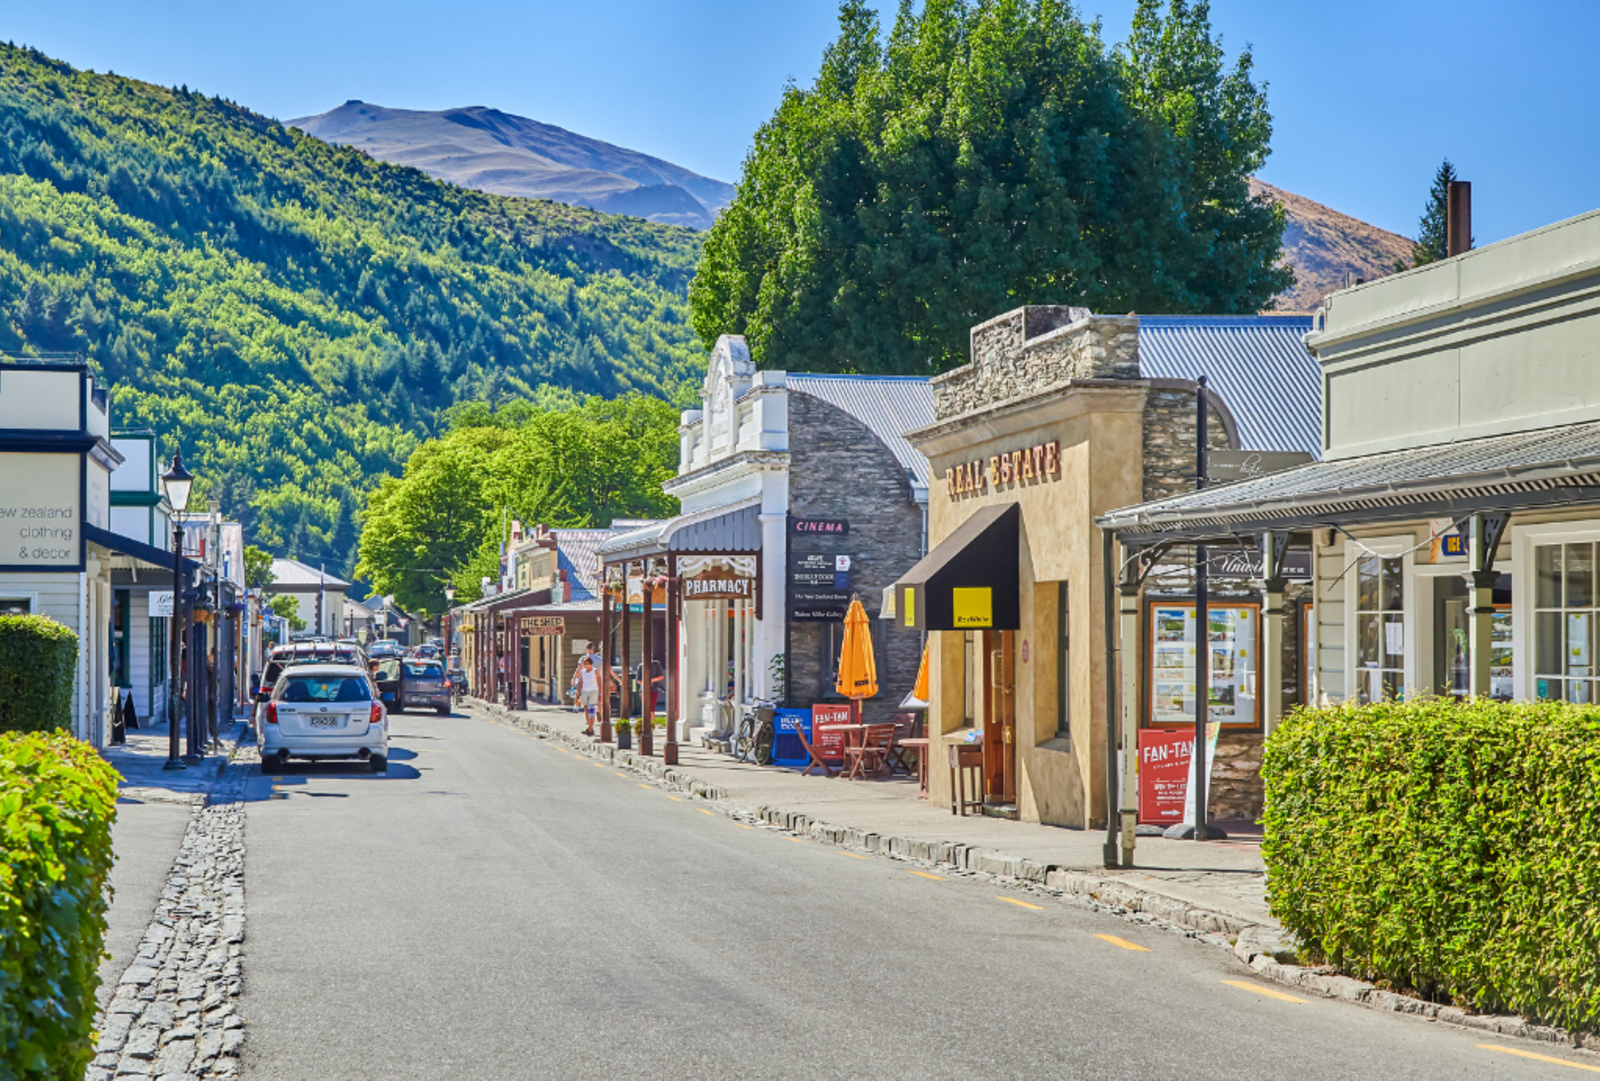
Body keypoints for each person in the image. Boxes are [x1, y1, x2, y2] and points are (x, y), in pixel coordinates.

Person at [573, 656, 601, 735]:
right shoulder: (582, 672)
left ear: (591, 664)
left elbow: (599, 682)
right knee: (586, 709)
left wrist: (601, 693)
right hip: (584, 691)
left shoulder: (595, 671)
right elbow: (580, 684)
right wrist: (577, 696)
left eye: (588, 664)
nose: (586, 665)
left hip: (593, 690)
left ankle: (591, 728)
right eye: (585, 664)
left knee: (591, 709)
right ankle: (589, 725)